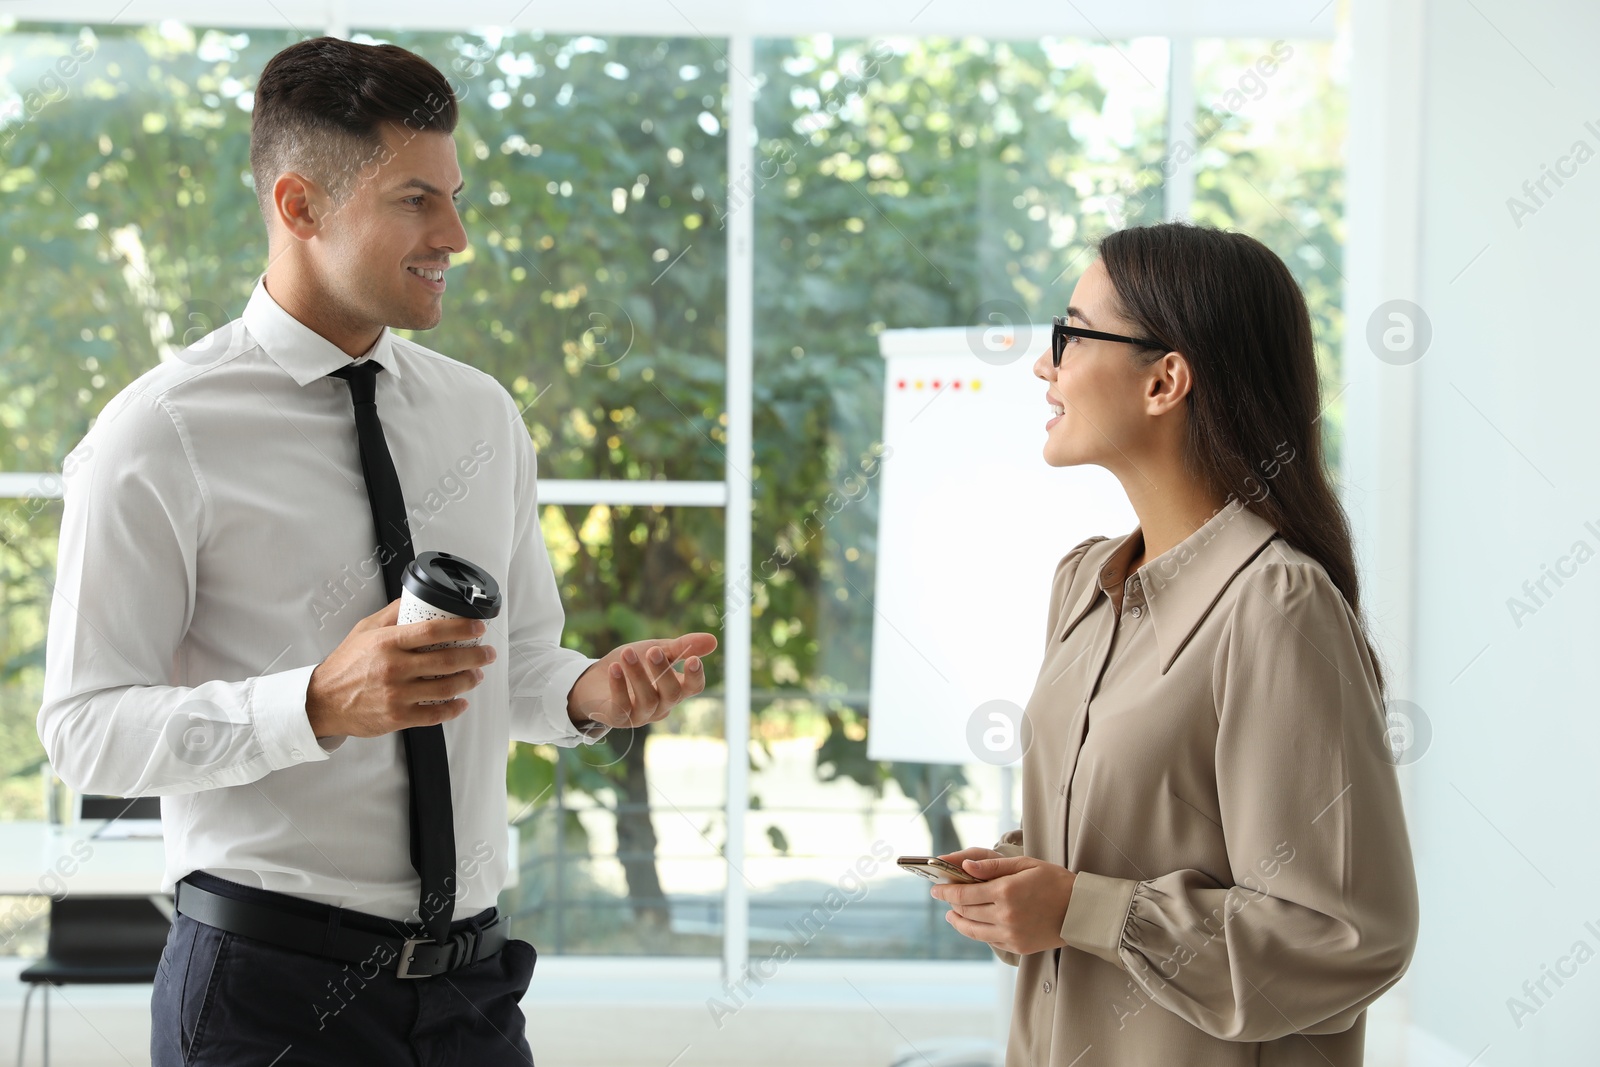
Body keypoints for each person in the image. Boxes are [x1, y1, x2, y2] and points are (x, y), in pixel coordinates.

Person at [38, 36, 715, 1066]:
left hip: (472, 996)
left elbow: (517, 664)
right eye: (416, 201)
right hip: (266, 1001)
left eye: (454, 194)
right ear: (300, 206)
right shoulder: (159, 432)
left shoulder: (482, 415)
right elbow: (83, 730)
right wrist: (312, 702)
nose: (457, 233)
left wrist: (587, 694)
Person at [930, 222, 1418, 1065]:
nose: (1045, 366)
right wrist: (1019, 880)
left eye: (1071, 335)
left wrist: (1081, 906)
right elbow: (1131, 836)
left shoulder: (1276, 605)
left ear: (1165, 380)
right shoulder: (1082, 584)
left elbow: (1346, 937)